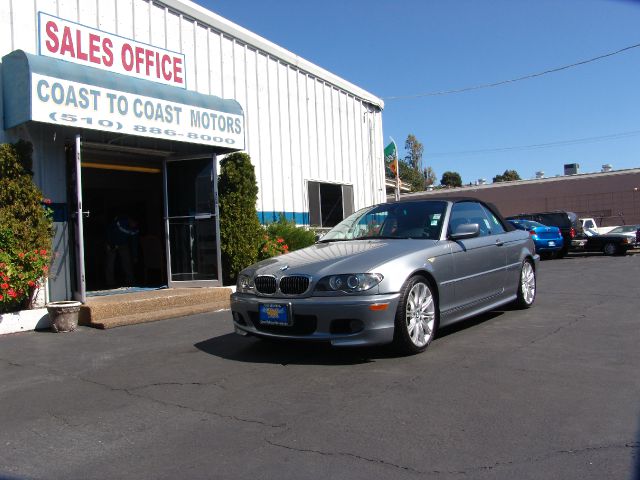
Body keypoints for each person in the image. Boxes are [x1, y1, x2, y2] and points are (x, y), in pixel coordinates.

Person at [105, 215, 139, 287]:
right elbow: (109, 231)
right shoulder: (119, 222)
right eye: (133, 223)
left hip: (123, 244)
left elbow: (134, 243)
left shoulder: (135, 229)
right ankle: (110, 282)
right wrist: (109, 243)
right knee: (110, 262)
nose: (134, 225)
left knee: (127, 261)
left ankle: (130, 280)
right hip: (112, 242)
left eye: (136, 224)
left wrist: (135, 256)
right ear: (130, 220)